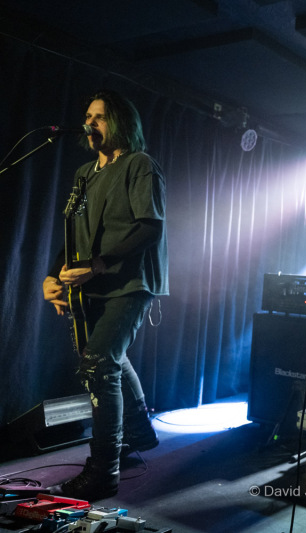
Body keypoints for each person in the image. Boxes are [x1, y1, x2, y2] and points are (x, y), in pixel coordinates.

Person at [41, 90, 168, 501]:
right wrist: (52, 277)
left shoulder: (139, 164)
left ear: (120, 123)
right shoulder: (84, 174)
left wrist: (98, 264)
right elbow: (70, 233)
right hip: (90, 286)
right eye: (87, 116)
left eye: (99, 117)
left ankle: (103, 471)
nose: (89, 123)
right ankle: (139, 432)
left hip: (131, 282)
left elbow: (150, 227)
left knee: (98, 364)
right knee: (104, 359)